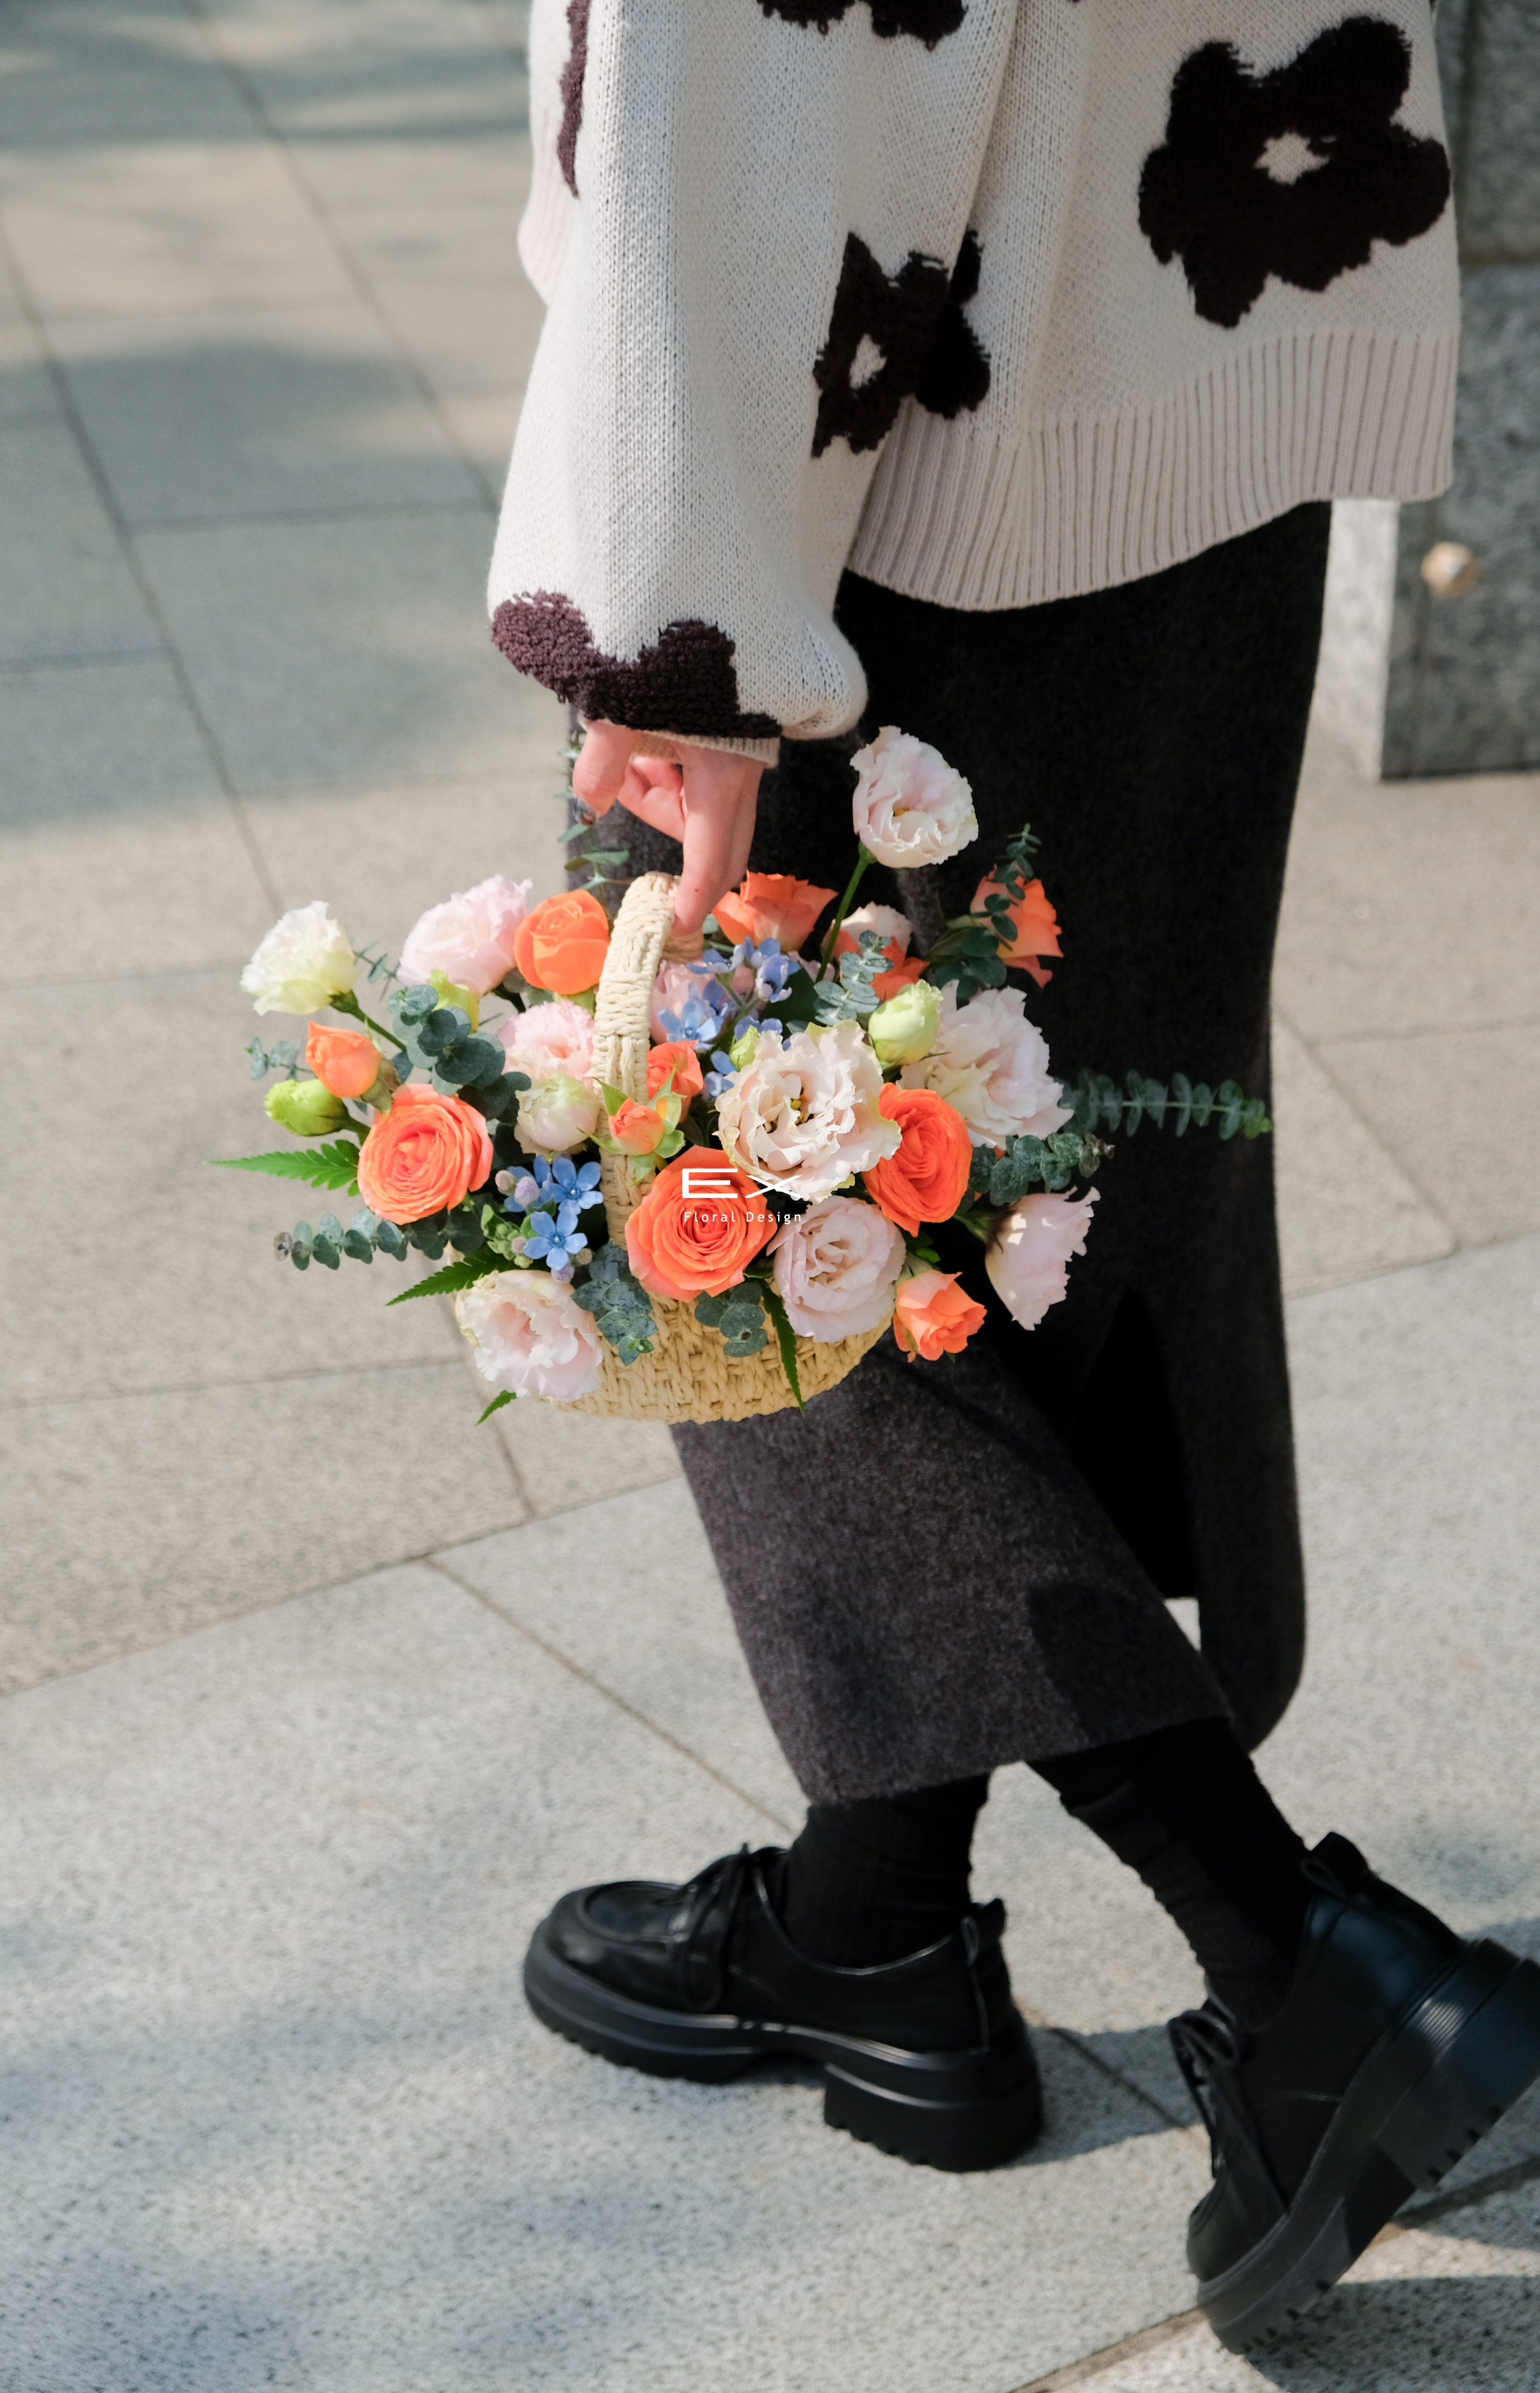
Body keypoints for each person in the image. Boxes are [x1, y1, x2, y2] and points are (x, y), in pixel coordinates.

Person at [486, 0, 1540, 2352]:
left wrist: (668, 637)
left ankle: (1294, 1953)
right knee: (1016, 1199)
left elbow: (736, 50)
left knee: (760, 1227)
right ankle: (875, 1928)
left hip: (873, 425)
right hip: (1195, 290)